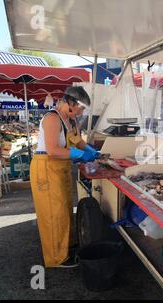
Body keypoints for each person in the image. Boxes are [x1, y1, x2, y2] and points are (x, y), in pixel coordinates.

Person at [30, 86, 100, 268]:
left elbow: (79, 141)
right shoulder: (52, 118)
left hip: (60, 169)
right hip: (46, 167)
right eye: (81, 108)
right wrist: (79, 155)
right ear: (70, 103)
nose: (81, 112)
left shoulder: (71, 120)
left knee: (64, 210)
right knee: (53, 214)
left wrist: (92, 151)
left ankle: (66, 246)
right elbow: (53, 150)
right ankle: (56, 258)